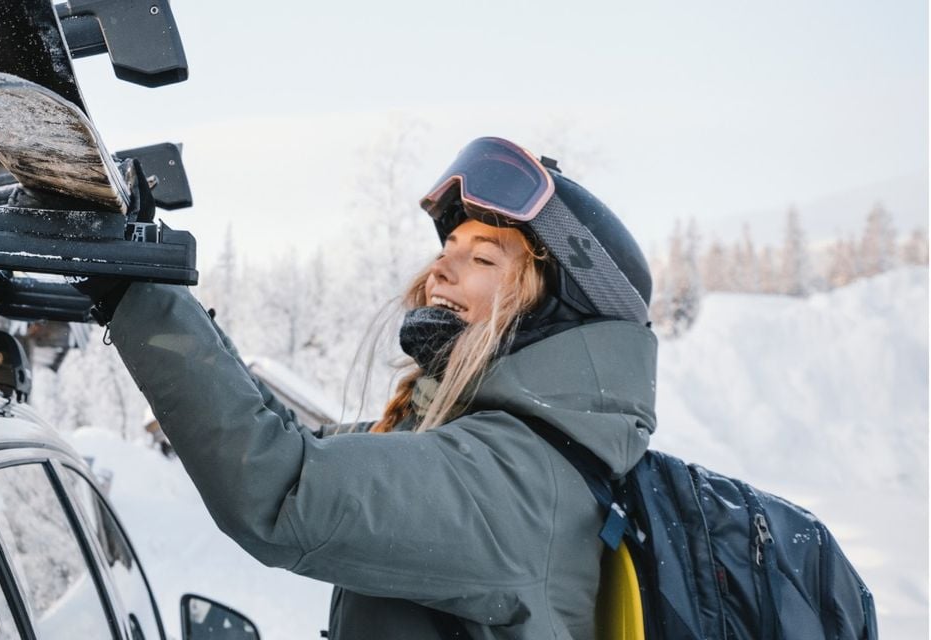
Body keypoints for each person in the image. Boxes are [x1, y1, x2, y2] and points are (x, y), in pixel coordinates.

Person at [80, 137, 657, 639]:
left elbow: (279, 483)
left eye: (481, 256)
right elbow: (292, 441)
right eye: (446, 250)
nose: (441, 271)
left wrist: (137, 294)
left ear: (547, 308)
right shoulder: (476, 445)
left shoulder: (513, 483)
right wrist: (158, 288)